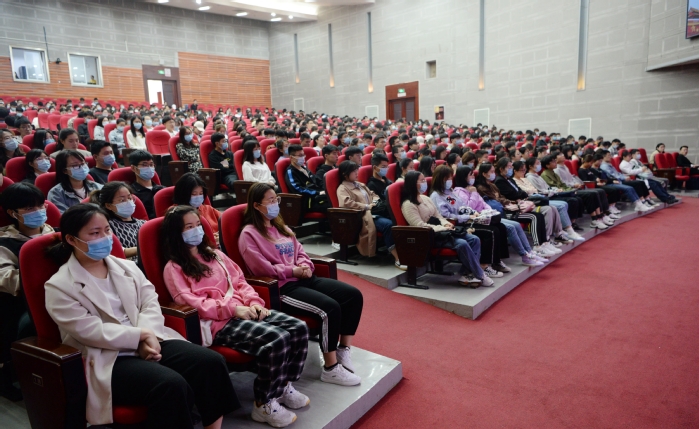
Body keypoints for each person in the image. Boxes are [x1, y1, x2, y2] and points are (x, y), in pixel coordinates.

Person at [45, 204, 237, 428]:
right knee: (169, 385)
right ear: (71, 239)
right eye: (95, 233)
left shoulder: (126, 267)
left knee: (210, 362)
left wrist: (148, 336)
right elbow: (91, 331)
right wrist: (140, 336)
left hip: (151, 337)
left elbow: (149, 301)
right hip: (109, 355)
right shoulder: (60, 286)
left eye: (107, 230)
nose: (105, 238)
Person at [162, 206, 310, 428]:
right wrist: (233, 309)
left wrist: (254, 302)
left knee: (299, 328)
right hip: (218, 322)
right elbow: (192, 303)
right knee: (277, 339)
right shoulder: (174, 267)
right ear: (176, 233)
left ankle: (283, 385)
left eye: (198, 225)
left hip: (243, 308)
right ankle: (264, 402)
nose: (196, 230)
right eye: (189, 227)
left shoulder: (216, 255)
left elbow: (240, 281)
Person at [239, 183, 363, 386]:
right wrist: (292, 270)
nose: (275, 204)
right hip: (282, 287)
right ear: (256, 205)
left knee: (353, 295)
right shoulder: (249, 234)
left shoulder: (281, 227)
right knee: (330, 308)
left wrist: (305, 265)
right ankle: (331, 368)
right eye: (270, 200)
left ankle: (343, 350)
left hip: (304, 278)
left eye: (276, 199)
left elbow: (300, 252)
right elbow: (260, 268)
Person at [0, 183, 55, 401]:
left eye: (41, 206)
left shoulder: (56, 233)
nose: (38, 211)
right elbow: (6, 279)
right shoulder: (5, 243)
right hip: (22, 301)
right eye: (30, 208)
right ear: (13, 213)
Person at [401, 171, 491, 286]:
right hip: (428, 236)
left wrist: (446, 224)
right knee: (462, 243)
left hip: (443, 232)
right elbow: (419, 225)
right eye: (422, 180)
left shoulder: (425, 198)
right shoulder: (408, 204)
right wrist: (442, 228)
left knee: (474, 239)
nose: (425, 183)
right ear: (412, 183)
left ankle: (467, 274)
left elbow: (438, 216)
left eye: (424, 180)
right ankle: (480, 275)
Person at [453, 166, 545, 267]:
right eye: (470, 175)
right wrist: (474, 193)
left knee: (516, 225)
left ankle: (529, 251)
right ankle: (524, 256)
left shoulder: (472, 188)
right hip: (475, 219)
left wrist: (489, 211)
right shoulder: (459, 191)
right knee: (510, 227)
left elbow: (483, 203)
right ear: (463, 177)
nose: (473, 177)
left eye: (473, 175)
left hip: (486, 216)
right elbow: (469, 207)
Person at [430, 165, 510, 276]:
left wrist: (473, 213)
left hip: (467, 220)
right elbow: (446, 216)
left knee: (500, 227)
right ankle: (483, 265)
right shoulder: (436, 196)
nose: (450, 180)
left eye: (450, 177)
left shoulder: (450, 191)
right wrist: (467, 217)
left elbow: (462, 206)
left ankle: (496, 261)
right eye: (447, 178)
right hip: (457, 225)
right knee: (490, 232)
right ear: (440, 178)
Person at [475, 163, 555, 258]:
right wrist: (511, 203)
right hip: (501, 211)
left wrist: (513, 203)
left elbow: (502, 197)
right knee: (533, 217)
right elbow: (496, 200)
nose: (494, 174)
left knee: (539, 215)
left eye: (493, 171)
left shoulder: (492, 185)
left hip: (509, 207)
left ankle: (543, 243)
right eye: (491, 172)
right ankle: (535, 247)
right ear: (484, 174)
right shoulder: (481, 188)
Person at [491, 158, 569, 253]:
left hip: (523, 202)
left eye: (511, 166)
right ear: (501, 168)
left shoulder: (510, 179)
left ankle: (548, 240)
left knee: (548, 210)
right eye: (509, 167)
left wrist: (522, 194)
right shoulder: (499, 181)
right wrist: (521, 195)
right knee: (542, 213)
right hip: (515, 208)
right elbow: (513, 195)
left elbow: (521, 191)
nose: (511, 169)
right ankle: (539, 244)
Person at [336, 161, 405, 269]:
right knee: (388, 225)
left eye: (357, 170)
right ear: (345, 174)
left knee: (397, 219)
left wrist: (375, 202)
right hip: (362, 216)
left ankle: (405, 252)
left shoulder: (360, 184)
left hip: (373, 211)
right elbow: (346, 203)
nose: (357, 172)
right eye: (353, 171)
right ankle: (397, 258)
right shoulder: (342, 188)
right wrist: (366, 206)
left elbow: (373, 194)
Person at [542, 153, 616, 224]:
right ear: (547, 165)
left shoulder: (560, 169)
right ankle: (595, 219)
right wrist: (572, 187)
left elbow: (566, 181)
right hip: (563, 191)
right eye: (553, 161)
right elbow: (558, 186)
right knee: (590, 194)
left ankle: (602, 215)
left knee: (600, 191)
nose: (555, 162)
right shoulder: (552, 172)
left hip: (569, 189)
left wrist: (574, 186)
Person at [523, 157, 587, 236]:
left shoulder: (537, 175)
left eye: (539, 163)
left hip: (551, 193)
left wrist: (555, 189)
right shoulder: (530, 177)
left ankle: (567, 226)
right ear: (530, 166)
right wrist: (554, 191)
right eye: (537, 163)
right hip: (545, 197)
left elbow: (548, 187)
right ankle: (565, 228)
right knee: (567, 202)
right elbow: (540, 191)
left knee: (573, 199)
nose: (539, 165)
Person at [89, 181, 145, 262]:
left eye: (129, 198)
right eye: (122, 200)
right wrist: (145, 248)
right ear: (108, 205)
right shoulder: (107, 227)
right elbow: (116, 252)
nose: (128, 202)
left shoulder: (144, 224)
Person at [173, 173, 221, 240]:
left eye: (201, 193)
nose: (198, 197)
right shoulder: (175, 213)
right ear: (183, 194)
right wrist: (209, 239)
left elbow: (226, 221)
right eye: (194, 194)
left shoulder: (208, 209)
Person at [284, 145, 330, 214]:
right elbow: (297, 189)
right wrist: (317, 192)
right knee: (331, 207)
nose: (303, 157)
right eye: (300, 155)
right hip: (308, 201)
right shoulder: (290, 172)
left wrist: (325, 189)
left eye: (303, 155)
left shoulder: (304, 168)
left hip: (317, 196)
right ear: (291, 157)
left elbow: (316, 180)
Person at [129, 150, 165, 219]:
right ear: (133, 168)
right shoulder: (131, 194)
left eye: (151, 165)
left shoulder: (162, 189)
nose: (149, 168)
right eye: (144, 165)